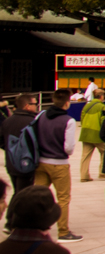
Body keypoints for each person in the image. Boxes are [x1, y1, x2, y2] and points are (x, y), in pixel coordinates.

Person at [32, 89, 81, 242]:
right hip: (59, 163)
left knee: (38, 196)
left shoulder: (41, 116)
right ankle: (63, 231)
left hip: (41, 162)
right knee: (63, 198)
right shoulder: (68, 121)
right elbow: (68, 148)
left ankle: (35, 229)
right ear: (67, 102)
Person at [1, 94, 37, 194]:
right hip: (27, 164)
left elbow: (1, 141)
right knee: (22, 194)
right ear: (27, 106)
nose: (36, 106)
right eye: (34, 104)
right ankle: (14, 210)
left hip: (11, 162)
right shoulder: (32, 122)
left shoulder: (7, 121)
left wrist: (11, 149)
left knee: (17, 191)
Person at [77, 92, 105, 182]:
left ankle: (84, 175)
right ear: (101, 96)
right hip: (97, 134)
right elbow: (103, 121)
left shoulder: (87, 106)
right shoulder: (102, 107)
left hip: (86, 133)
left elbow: (82, 118)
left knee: (85, 155)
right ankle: (103, 173)